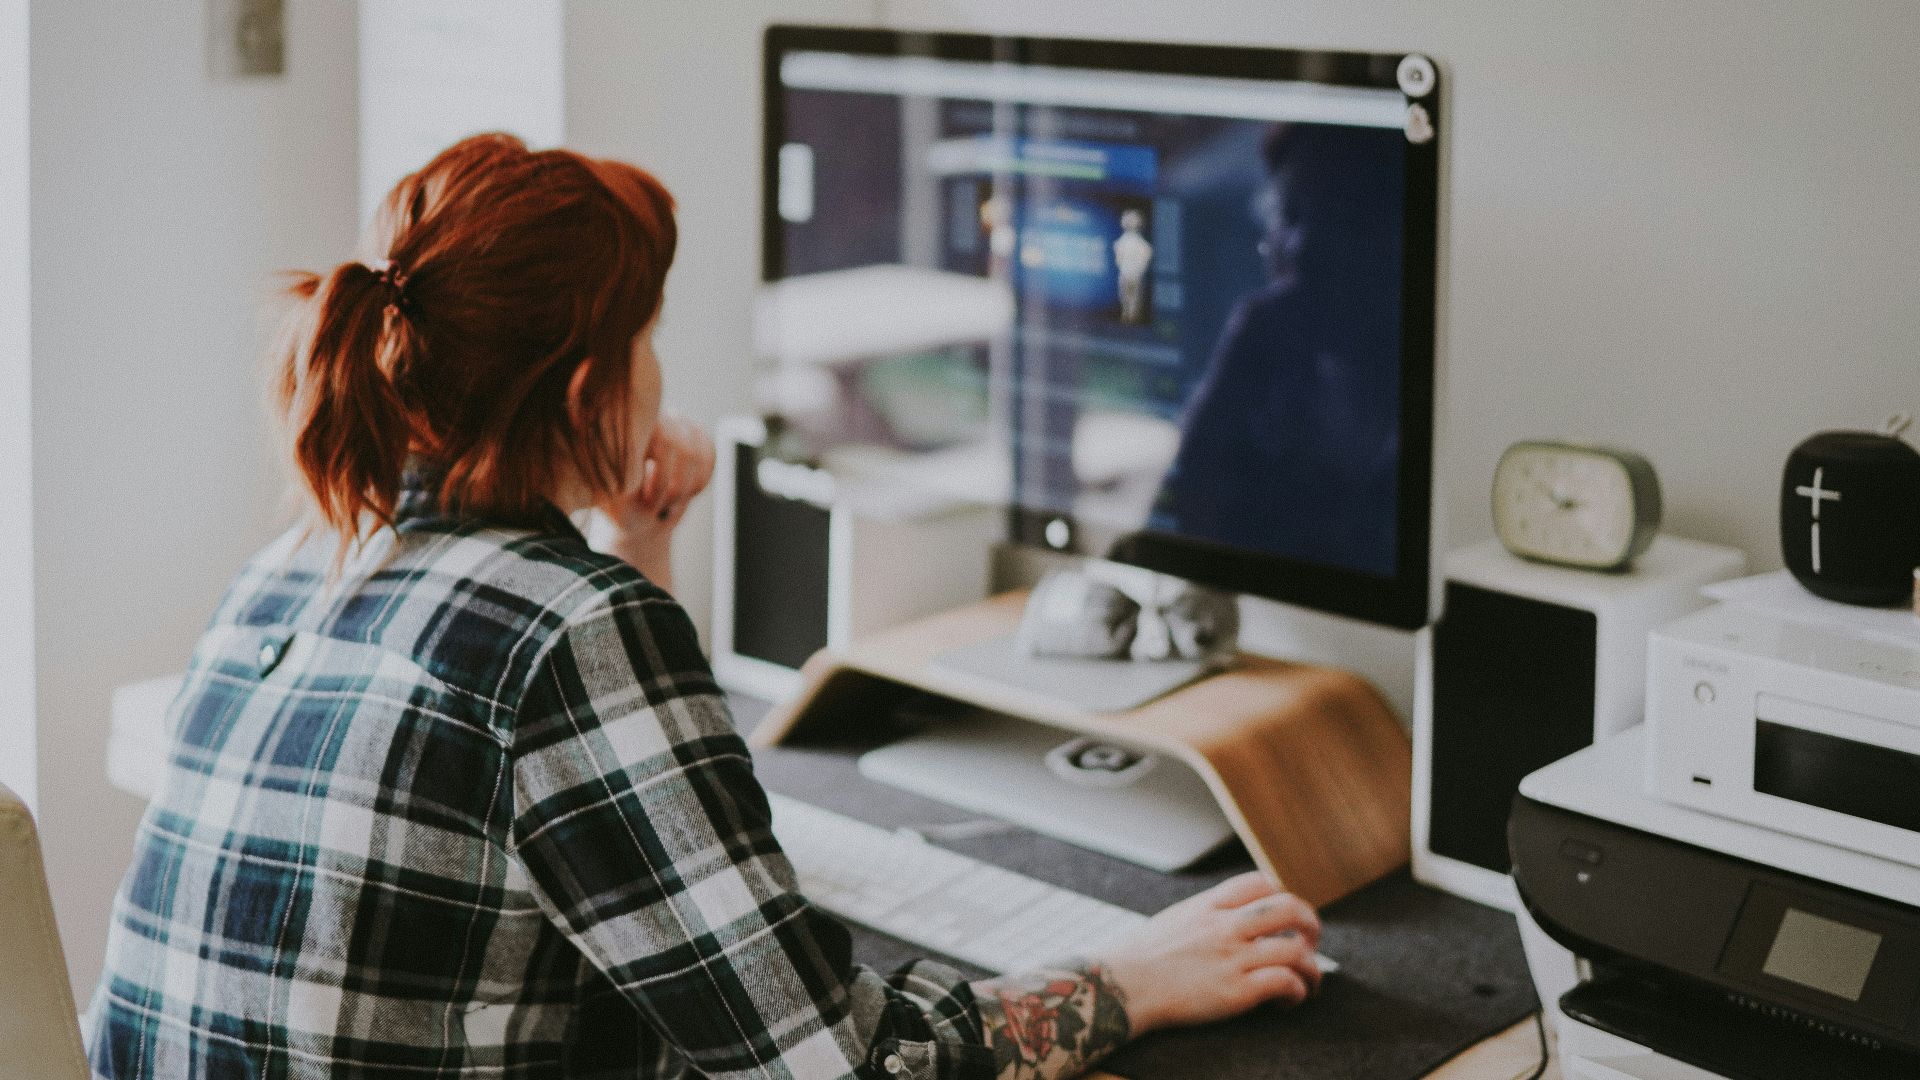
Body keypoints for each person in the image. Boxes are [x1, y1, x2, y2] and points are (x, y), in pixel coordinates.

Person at [84, 133, 1323, 1080]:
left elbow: (622, 856)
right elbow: (839, 1065)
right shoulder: (569, 629)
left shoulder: (298, 561)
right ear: (591, 387)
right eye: (650, 336)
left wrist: (635, 546)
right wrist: (1133, 979)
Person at [1153, 124, 1405, 576]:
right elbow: (1177, 519)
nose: (1302, 245)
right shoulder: (1263, 350)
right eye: (1288, 214)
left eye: (1336, 217)